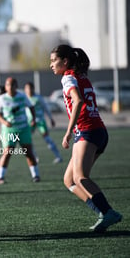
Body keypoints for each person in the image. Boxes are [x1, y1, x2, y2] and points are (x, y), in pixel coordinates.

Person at [50, 44, 122, 232]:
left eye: (53, 61)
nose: (51, 65)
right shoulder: (81, 77)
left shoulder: (68, 78)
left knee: (80, 177)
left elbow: (79, 100)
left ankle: (108, 212)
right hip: (98, 131)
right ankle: (102, 213)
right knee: (70, 181)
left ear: (65, 61)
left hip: (87, 131)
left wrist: (68, 131)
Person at [0, 77, 40, 184]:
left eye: (12, 85)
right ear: (5, 87)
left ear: (16, 86)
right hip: (9, 129)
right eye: (8, 85)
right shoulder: (2, 99)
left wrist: (33, 119)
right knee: (7, 152)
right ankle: (0, 177)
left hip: (23, 128)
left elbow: (31, 107)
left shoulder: (22, 96)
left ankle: (36, 175)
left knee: (28, 152)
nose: (10, 87)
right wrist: (4, 122)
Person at [24, 82, 63, 164]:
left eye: (30, 88)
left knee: (47, 139)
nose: (29, 90)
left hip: (40, 121)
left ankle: (58, 156)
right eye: (27, 88)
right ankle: (35, 158)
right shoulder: (24, 98)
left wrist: (51, 118)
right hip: (30, 122)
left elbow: (45, 108)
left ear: (33, 89)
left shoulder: (38, 97)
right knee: (28, 140)